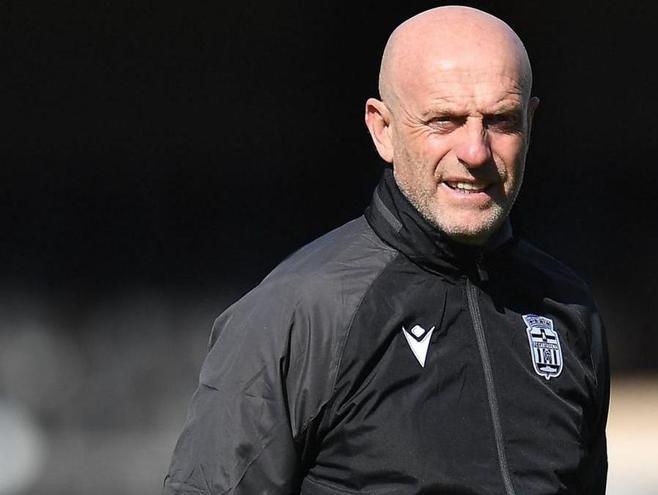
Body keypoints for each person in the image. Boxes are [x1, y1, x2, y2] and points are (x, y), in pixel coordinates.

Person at [164, 5, 609, 494]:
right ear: (383, 129)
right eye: (444, 121)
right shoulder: (302, 313)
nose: (476, 152)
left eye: (500, 121)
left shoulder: (568, 310)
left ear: (531, 122)